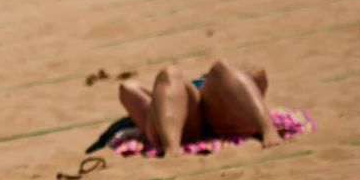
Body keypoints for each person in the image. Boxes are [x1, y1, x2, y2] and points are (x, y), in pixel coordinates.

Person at [116, 60, 277, 155]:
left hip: (212, 112)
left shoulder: (212, 82)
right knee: (170, 74)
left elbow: (259, 74)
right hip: (190, 118)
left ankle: (267, 128)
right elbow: (127, 88)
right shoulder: (184, 87)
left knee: (222, 67)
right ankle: (267, 129)